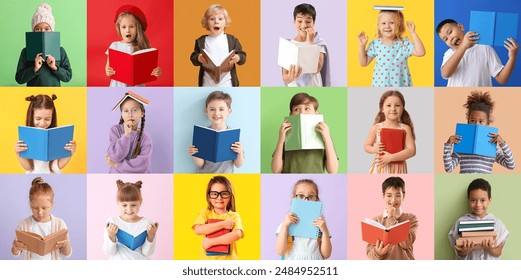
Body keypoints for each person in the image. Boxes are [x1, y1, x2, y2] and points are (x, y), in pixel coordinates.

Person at [444, 91, 515, 174]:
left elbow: (510, 165)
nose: (476, 124)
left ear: (487, 123)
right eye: (472, 120)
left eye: (481, 121)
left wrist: (503, 144)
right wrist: (448, 145)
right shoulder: (462, 145)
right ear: (468, 122)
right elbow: (448, 168)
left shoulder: (492, 148)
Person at [436, 19, 518, 86]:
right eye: (445, 39)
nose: (450, 38)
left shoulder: (485, 48)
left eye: (450, 32)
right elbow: (446, 74)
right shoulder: (449, 53)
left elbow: (502, 79)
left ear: (460, 27)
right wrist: (463, 47)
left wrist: (512, 57)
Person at [272, 92, 338, 173]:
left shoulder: (323, 134)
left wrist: (327, 138)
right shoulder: (286, 135)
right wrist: (281, 140)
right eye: (296, 109)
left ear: (316, 113)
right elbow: (276, 170)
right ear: (291, 114)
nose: (302, 113)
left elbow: (333, 170)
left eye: (307, 108)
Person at [358, 9, 425, 87]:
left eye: (392, 23)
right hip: (380, 86)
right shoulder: (375, 44)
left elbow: (421, 52)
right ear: (378, 26)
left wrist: (413, 33)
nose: (387, 26)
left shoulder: (404, 44)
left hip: (400, 85)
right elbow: (364, 63)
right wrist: (362, 46)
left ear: (398, 25)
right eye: (383, 23)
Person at [11, 177, 72, 260]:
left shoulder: (59, 224)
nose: (39, 212)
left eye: (44, 208)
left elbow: (66, 254)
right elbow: (16, 253)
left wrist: (66, 245)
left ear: (52, 204)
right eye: (35, 208)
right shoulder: (23, 225)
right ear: (30, 204)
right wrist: (15, 247)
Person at [448, 178, 509, 260]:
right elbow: (458, 251)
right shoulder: (461, 222)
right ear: (468, 200)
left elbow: (499, 251)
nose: (478, 205)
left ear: (489, 200)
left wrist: (490, 249)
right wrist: (465, 250)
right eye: (473, 200)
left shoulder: (497, 223)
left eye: (483, 200)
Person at [14, 94, 76, 174]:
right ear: (31, 116)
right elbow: (28, 167)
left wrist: (70, 152)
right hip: (35, 177)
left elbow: (57, 166)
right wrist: (18, 152)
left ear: (52, 117)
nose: (42, 123)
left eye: (47, 119)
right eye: (38, 118)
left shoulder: (56, 135)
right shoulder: (27, 136)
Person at [15, 3, 72, 86]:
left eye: (47, 28)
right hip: (34, 96)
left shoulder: (60, 51)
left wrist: (55, 67)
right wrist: (34, 68)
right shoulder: (26, 51)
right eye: (37, 29)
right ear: (33, 31)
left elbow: (68, 76)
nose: (42, 31)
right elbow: (19, 79)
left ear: (52, 30)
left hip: (53, 96)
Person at [190, 4, 246, 87]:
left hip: (228, 84)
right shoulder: (201, 41)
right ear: (206, 23)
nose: (216, 21)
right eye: (212, 19)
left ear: (226, 22)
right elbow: (193, 58)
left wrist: (238, 58)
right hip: (207, 84)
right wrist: (198, 58)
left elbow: (243, 56)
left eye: (220, 19)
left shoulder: (232, 40)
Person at [105, 4, 162, 87]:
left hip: (137, 88)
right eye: (123, 27)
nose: (127, 30)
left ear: (137, 28)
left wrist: (157, 72)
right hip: (118, 86)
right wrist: (108, 71)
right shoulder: (114, 46)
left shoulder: (142, 47)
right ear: (119, 29)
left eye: (131, 26)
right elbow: (107, 67)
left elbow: (151, 71)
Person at [188, 91, 244, 173]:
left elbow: (238, 165)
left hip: (225, 177)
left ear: (229, 111)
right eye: (212, 109)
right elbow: (200, 164)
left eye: (221, 109)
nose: (216, 113)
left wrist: (240, 153)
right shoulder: (203, 134)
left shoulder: (232, 135)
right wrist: (194, 154)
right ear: (206, 112)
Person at [275, 179, 331, 260]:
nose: (306, 200)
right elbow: (280, 251)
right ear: (294, 198)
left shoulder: (321, 225)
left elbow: (326, 255)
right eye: (301, 196)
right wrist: (285, 226)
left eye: (311, 196)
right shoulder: (286, 224)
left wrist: (325, 231)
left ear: (317, 200)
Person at [103, 180, 158, 260]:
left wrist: (151, 236)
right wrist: (111, 236)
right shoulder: (112, 222)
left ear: (140, 203)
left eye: (133, 205)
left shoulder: (147, 223)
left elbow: (147, 253)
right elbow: (109, 252)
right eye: (124, 205)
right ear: (118, 203)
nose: (129, 210)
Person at [192, 176, 244, 260]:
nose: (219, 198)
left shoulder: (234, 216)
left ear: (230, 196)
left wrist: (211, 242)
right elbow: (198, 230)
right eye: (214, 194)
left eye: (224, 193)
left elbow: (237, 234)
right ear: (209, 197)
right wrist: (223, 224)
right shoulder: (205, 213)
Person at [366, 177, 418, 260]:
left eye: (398, 195)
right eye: (389, 195)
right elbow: (370, 253)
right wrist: (378, 252)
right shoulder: (376, 221)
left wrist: (391, 218)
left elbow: (406, 243)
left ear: (403, 196)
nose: (393, 200)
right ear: (383, 196)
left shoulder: (411, 218)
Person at [364, 90, 416, 173]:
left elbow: (411, 151)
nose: (393, 109)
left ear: (403, 108)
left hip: (398, 169)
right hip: (380, 168)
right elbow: (366, 146)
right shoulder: (376, 127)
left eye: (397, 105)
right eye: (388, 105)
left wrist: (391, 157)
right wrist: (374, 149)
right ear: (382, 109)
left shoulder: (405, 128)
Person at [282, 3, 330, 87]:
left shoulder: (318, 42)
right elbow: (285, 76)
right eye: (300, 21)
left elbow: (317, 68)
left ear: (313, 22)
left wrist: (309, 43)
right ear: (294, 22)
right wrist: (291, 77)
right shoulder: (289, 45)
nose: (304, 25)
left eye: (308, 21)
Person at [106, 91, 152, 173]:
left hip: (139, 180)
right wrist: (126, 135)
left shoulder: (145, 137)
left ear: (142, 113)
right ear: (122, 114)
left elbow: (143, 164)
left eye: (134, 110)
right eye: (126, 111)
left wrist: (117, 165)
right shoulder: (115, 130)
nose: (130, 114)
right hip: (117, 178)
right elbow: (115, 156)